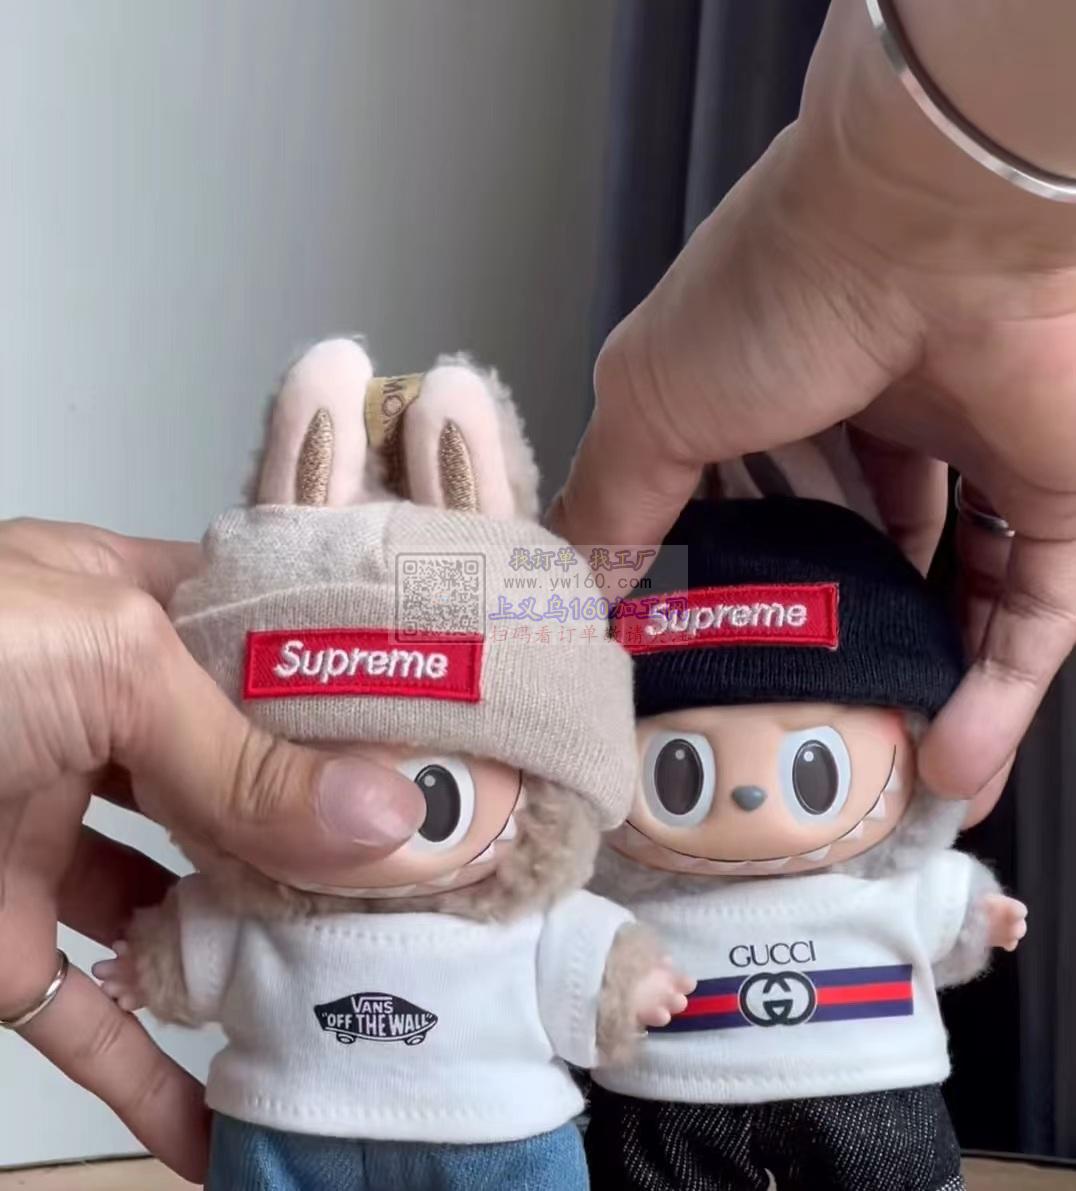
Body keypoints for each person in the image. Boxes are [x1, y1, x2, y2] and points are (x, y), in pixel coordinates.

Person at [2, 0, 1075, 1179]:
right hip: (384, 1128)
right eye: (673, 768)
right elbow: (188, 950)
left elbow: (611, 959)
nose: (376, 814)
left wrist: (970, 913)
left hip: (697, 1110)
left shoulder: (566, 910)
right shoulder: (302, 910)